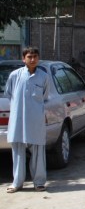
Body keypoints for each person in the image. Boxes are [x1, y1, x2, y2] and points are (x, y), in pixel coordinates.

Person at [5, 46, 50, 193]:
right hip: (18, 120)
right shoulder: (15, 75)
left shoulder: (44, 76)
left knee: (38, 151)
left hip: (35, 120)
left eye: (35, 56)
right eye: (29, 57)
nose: (32, 59)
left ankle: (39, 182)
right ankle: (17, 183)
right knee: (18, 151)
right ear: (23, 59)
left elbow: (44, 96)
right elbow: (10, 94)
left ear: (38, 58)